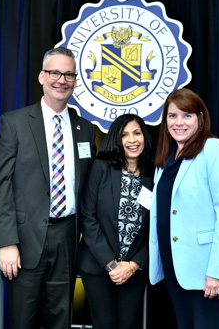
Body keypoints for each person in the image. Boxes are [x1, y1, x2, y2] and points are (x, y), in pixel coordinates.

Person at [0, 46, 96, 329]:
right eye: (55, 72)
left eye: (69, 74)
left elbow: (88, 189)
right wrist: (7, 242)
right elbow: (0, 186)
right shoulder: (14, 123)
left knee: (60, 320)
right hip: (23, 242)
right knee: (23, 321)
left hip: (67, 238)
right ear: (41, 76)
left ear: (75, 80)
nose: (62, 79)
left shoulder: (85, 129)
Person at [148, 88, 219, 328]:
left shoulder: (215, 150)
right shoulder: (166, 156)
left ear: (200, 118)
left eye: (187, 115)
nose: (179, 122)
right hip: (174, 268)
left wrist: (218, 272)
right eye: (172, 116)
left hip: (205, 272)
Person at [76, 114, 155, 329]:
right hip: (98, 266)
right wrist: (111, 264)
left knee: (129, 324)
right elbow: (88, 217)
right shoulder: (101, 168)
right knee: (105, 324)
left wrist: (133, 264)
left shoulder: (154, 174)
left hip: (134, 268)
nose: (132, 140)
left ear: (144, 137)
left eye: (137, 133)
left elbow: (156, 228)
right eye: (125, 135)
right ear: (116, 139)